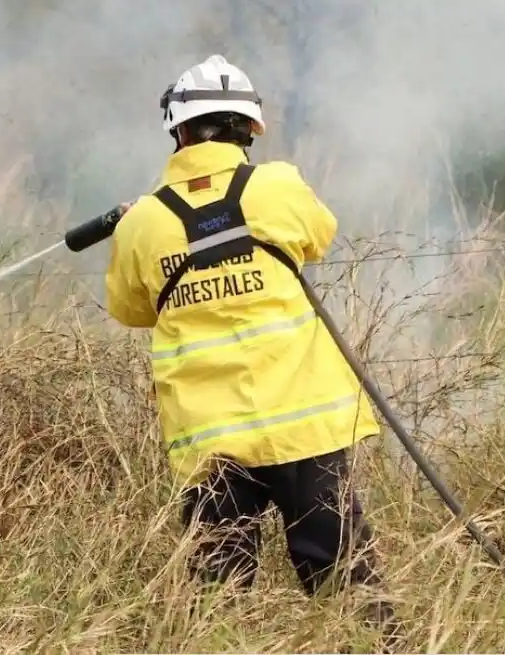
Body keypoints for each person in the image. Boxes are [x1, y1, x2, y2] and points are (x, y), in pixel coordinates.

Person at [104, 54, 397, 635]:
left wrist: (149, 232)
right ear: (247, 129)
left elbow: (130, 309)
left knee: (217, 599)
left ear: (178, 131)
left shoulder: (141, 224)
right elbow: (318, 237)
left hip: (211, 441)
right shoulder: (278, 186)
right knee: (343, 581)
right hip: (303, 425)